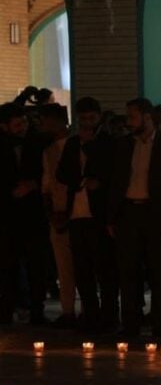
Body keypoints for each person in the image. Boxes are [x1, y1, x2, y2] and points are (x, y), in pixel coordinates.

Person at [108, 98, 161, 338]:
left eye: (133, 117)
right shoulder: (124, 145)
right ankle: (131, 323)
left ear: (147, 117)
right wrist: (112, 217)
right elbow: (116, 180)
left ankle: (160, 323)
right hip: (128, 212)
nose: (128, 122)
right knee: (128, 271)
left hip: (154, 213)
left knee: (158, 270)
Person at [57, 97, 118, 334]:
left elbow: (112, 172)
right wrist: (80, 181)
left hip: (98, 213)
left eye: (91, 118)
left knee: (105, 268)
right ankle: (90, 314)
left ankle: (109, 315)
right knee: (82, 268)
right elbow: (62, 173)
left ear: (99, 117)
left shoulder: (108, 142)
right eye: (83, 118)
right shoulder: (72, 143)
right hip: (76, 212)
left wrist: (97, 181)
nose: (87, 122)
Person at [0, 103, 48, 325]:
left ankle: (37, 309)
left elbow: (48, 171)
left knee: (36, 264)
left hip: (33, 214)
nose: (23, 127)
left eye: (24, 123)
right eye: (17, 124)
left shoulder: (36, 143)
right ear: (4, 126)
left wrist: (34, 184)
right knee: (7, 265)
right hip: (7, 215)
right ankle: (7, 309)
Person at [38, 103, 78, 328]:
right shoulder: (49, 151)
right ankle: (68, 310)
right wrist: (53, 212)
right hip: (59, 212)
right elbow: (47, 185)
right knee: (64, 266)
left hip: (78, 212)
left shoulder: (76, 145)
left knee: (78, 265)